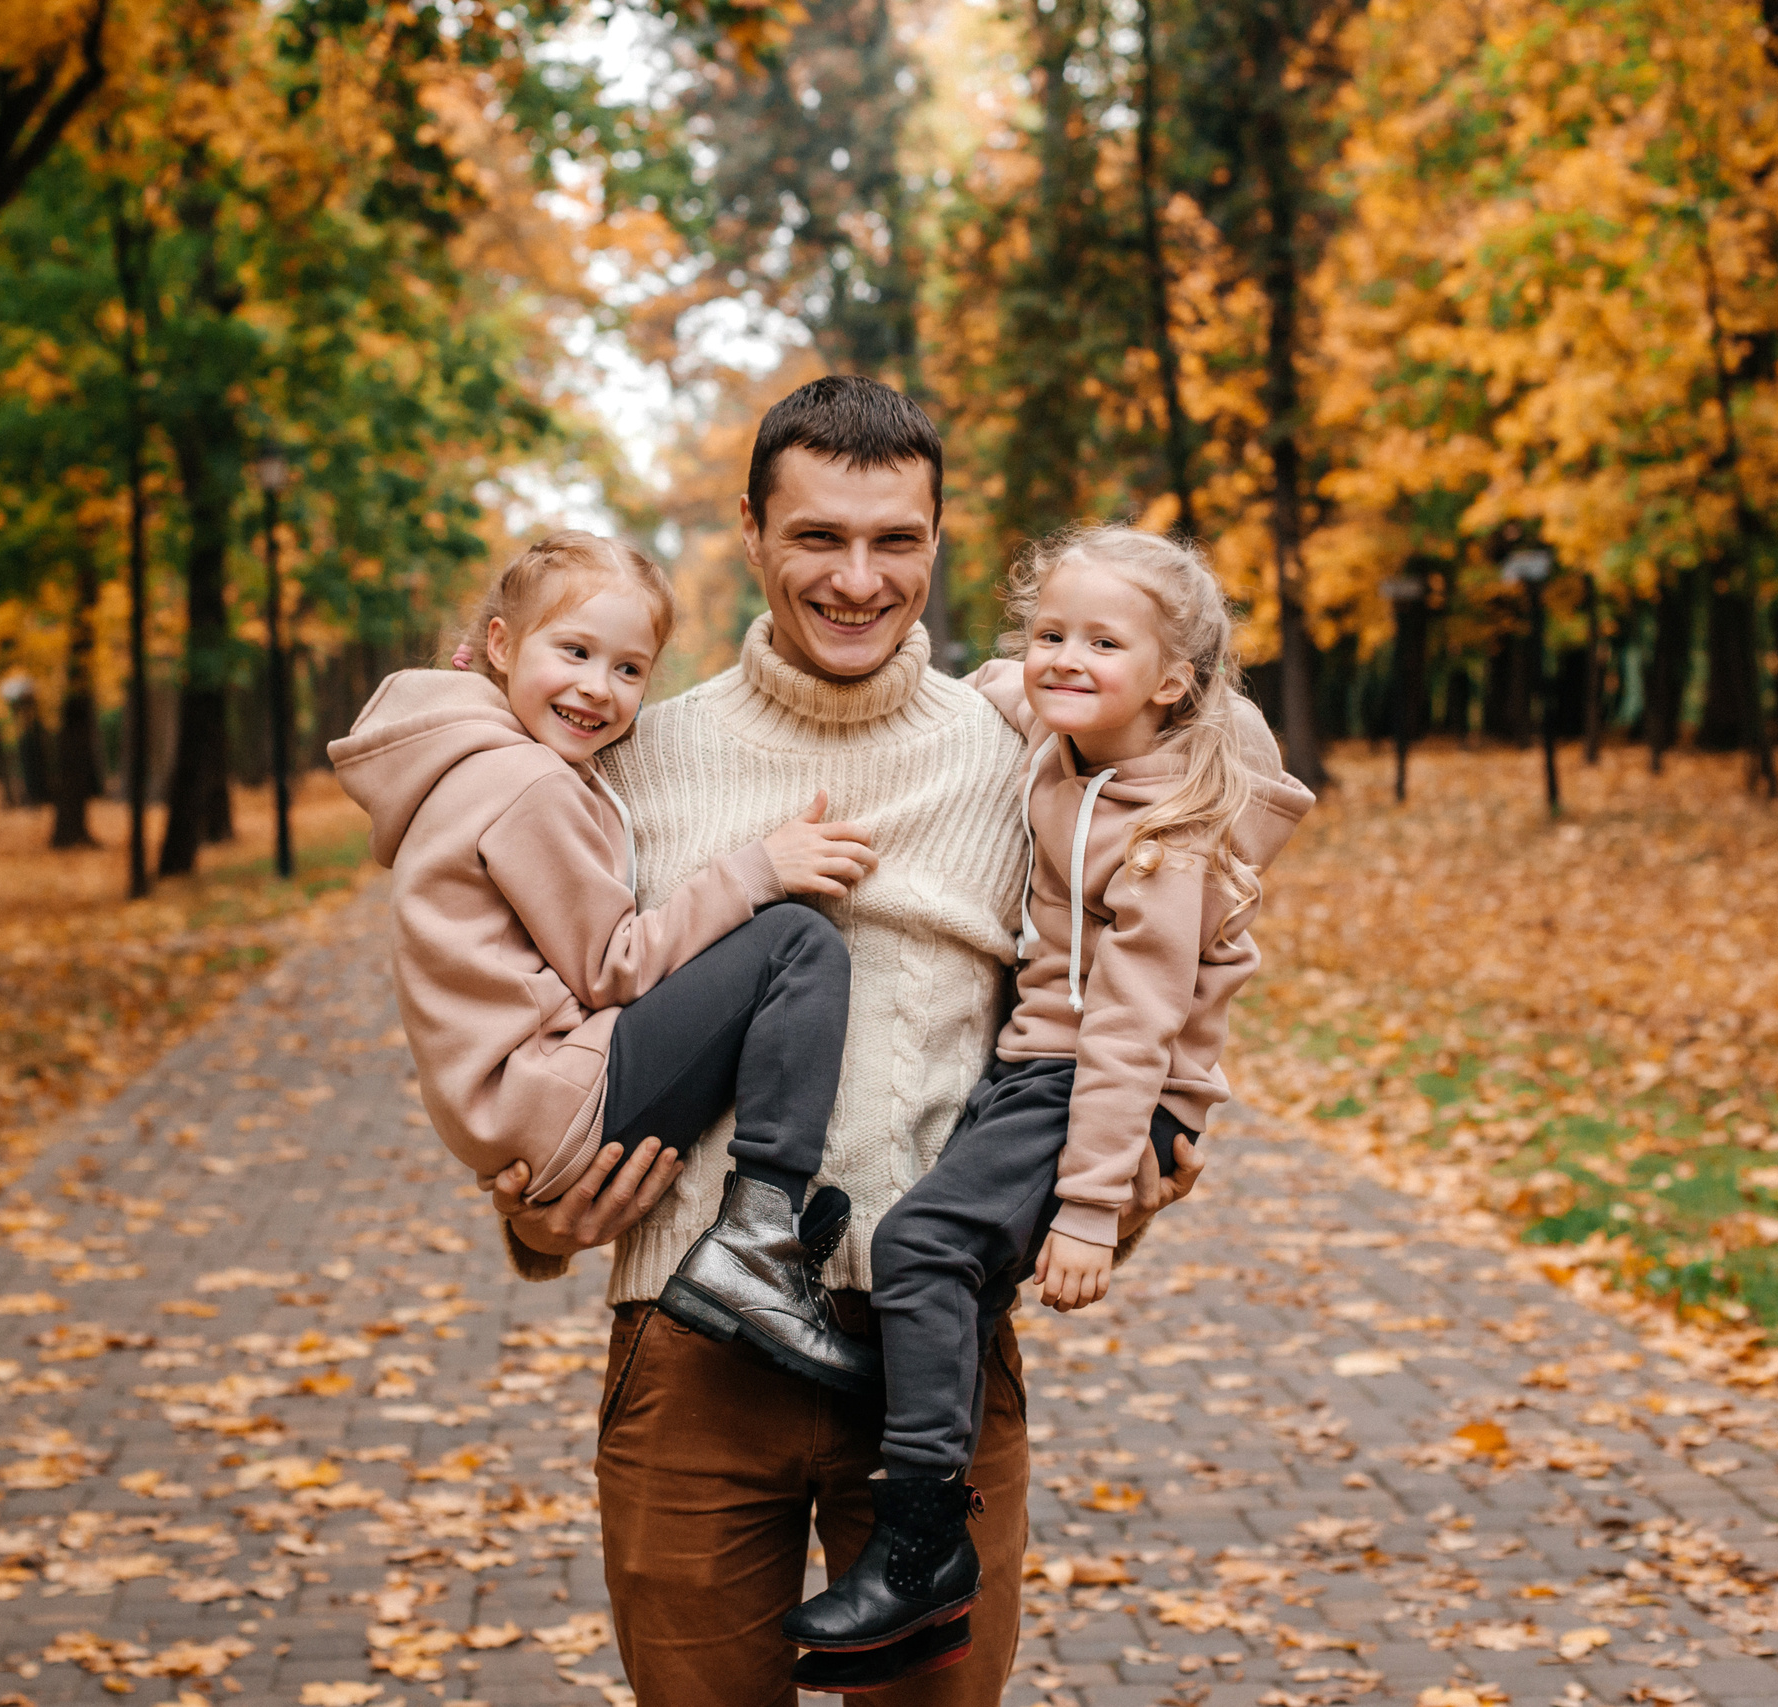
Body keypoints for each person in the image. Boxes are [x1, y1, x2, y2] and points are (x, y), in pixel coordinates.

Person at [479, 379, 1211, 1704]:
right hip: (691, 1347)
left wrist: (1131, 1184)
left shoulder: (1029, 766)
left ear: (939, 540)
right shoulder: (633, 758)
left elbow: (1110, 1011)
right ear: (752, 533)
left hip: (930, 1367)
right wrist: (533, 1210)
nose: (859, 579)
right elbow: (542, 1027)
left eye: (897, 540)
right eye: (818, 536)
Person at [784, 523, 1315, 1663]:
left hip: (1108, 1085)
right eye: (1048, 633)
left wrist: (1088, 1204)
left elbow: (1133, 1031)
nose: (1063, 658)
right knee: (955, 1283)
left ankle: (921, 1542)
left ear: (1173, 681)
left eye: (1102, 643)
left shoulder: (1169, 839)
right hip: (1045, 1070)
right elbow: (986, 685)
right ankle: (921, 1587)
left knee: (921, 1244)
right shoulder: (1058, 738)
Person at [330, 530, 888, 1392]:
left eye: (629, 668)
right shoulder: (524, 782)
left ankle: (757, 1245)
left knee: (785, 944)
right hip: (554, 1095)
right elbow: (612, 966)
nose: (598, 686)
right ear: (501, 644)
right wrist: (758, 868)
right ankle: (758, 1243)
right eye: (575, 651)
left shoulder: (474, 760)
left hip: (524, 1103)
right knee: (796, 942)